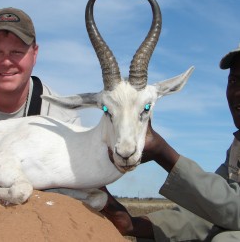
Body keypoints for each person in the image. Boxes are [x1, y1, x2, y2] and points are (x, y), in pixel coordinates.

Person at [101, 45, 240, 241]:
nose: (237, 93)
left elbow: (236, 211)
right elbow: (212, 211)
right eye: (233, 81)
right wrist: (135, 225)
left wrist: (162, 152)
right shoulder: (236, 147)